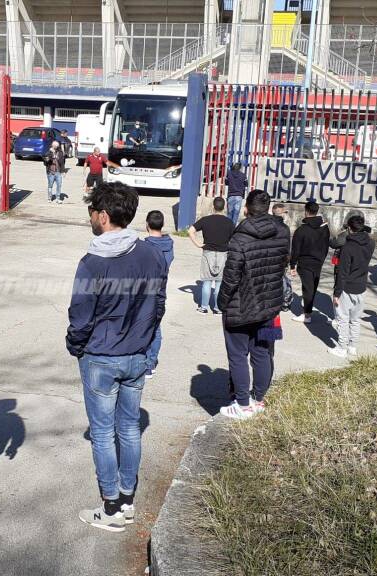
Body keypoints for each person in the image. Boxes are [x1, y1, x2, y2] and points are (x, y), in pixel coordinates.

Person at [66, 182, 166, 532]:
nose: (91, 217)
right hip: (136, 354)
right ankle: (126, 499)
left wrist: (74, 344)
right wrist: (147, 342)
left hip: (101, 357)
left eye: (92, 211)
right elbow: (158, 304)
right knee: (129, 427)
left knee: (104, 432)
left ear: (103, 216)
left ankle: (110, 508)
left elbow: (80, 314)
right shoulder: (151, 254)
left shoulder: (93, 262)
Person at [217, 190, 290, 421]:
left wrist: (222, 302)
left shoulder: (240, 237)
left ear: (247, 208)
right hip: (271, 304)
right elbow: (283, 262)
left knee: (238, 354)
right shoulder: (283, 232)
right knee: (263, 351)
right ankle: (259, 399)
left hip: (241, 306)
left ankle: (242, 404)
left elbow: (231, 276)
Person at [330, 212, 375, 358]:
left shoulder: (348, 247)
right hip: (361, 285)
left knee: (343, 318)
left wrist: (336, 293)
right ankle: (352, 346)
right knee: (355, 319)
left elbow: (342, 273)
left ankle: (342, 348)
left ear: (349, 228)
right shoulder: (371, 242)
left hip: (348, 286)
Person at [188, 197, 235, 314]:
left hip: (207, 252)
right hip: (223, 254)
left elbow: (190, 231)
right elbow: (234, 238)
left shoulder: (205, 220)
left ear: (213, 206)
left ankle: (204, 307)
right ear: (224, 207)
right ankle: (217, 308)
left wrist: (198, 244)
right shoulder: (229, 222)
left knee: (207, 282)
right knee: (219, 283)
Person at [143, 210, 174, 378]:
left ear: (147, 225)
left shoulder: (145, 247)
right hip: (161, 292)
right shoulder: (169, 245)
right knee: (156, 329)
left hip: (145, 293)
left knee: (142, 327)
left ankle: (144, 363)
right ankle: (151, 361)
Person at [289, 201, 330, 324]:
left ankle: (307, 315)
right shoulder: (324, 228)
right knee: (312, 288)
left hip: (305, 263)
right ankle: (308, 312)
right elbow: (326, 246)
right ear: (316, 211)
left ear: (306, 211)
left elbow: (296, 249)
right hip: (318, 262)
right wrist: (322, 259)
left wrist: (292, 265)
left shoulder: (301, 230)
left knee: (308, 289)